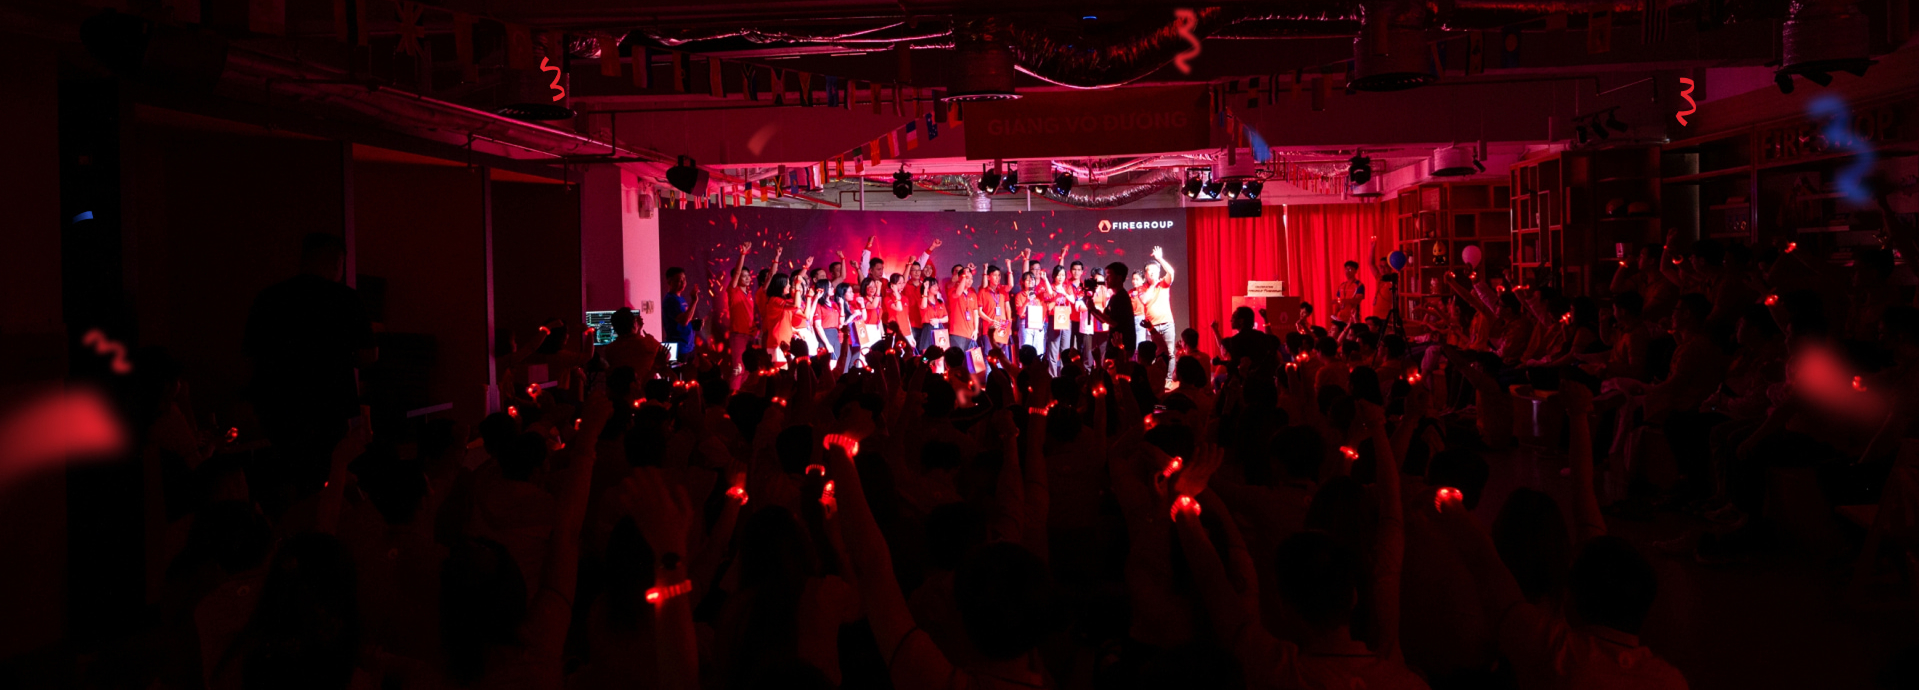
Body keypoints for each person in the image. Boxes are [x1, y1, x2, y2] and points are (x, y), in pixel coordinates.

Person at [244, 232, 376, 501]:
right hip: (331, 409)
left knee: (288, 484)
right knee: (332, 479)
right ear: (337, 262)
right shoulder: (346, 299)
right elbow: (368, 355)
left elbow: (251, 356)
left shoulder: (269, 298)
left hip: (279, 411)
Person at [1139, 246, 1178, 389]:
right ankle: (1153, 377)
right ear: (1145, 274)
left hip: (1167, 322)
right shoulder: (1142, 288)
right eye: (1150, 271)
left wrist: (1159, 259)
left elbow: (1171, 272)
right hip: (1151, 325)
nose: (1153, 274)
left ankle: (1167, 379)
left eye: (1156, 271)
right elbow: (1144, 300)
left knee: (1169, 352)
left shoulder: (1164, 283)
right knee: (1152, 353)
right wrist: (1153, 284)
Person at [660, 267, 698, 361]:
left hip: (688, 346)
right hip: (679, 348)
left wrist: (694, 323)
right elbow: (684, 321)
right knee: (679, 375)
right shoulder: (670, 300)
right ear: (669, 282)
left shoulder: (680, 299)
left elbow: (687, 318)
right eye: (678, 280)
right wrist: (694, 301)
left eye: (684, 279)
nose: (683, 283)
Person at [1334, 260, 1366, 331]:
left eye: (1350, 269)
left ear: (1355, 271)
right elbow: (1338, 301)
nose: (1348, 271)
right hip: (1340, 318)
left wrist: (1344, 301)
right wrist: (1335, 313)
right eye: (1346, 269)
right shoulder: (1342, 285)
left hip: (1352, 318)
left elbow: (1357, 300)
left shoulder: (1359, 285)